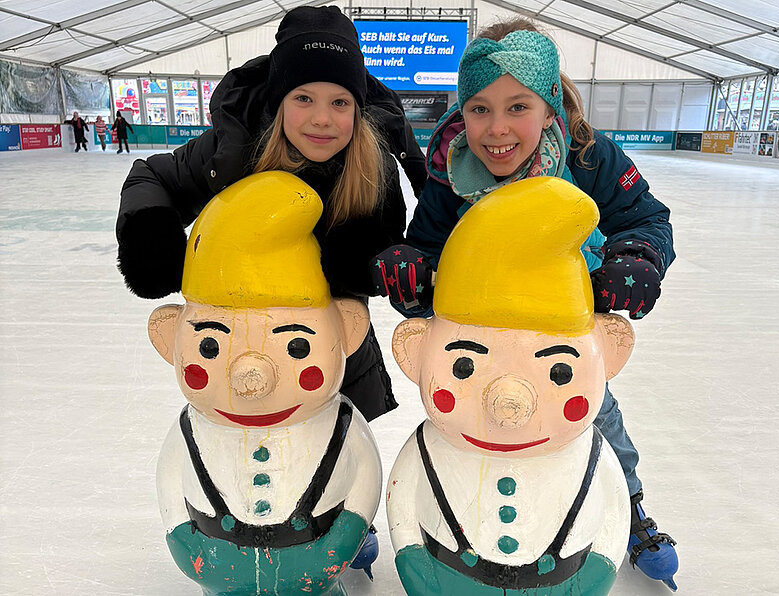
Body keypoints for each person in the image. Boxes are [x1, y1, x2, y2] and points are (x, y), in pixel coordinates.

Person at [372, 17, 678, 590]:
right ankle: (462, 515)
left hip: (559, 328)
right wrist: (411, 269)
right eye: (479, 108)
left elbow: (645, 216)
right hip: (478, 335)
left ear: (549, 106)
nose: (496, 129)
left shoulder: (588, 155)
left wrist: (636, 257)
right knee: (466, 420)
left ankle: (630, 508)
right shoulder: (450, 169)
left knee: (598, 416)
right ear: (460, 112)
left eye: (518, 106)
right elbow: (428, 241)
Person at [116, 5, 426, 424]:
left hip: (327, 355)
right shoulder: (235, 150)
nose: (322, 118)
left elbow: (387, 244)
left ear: (357, 109)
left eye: (340, 102)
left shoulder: (373, 167)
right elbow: (153, 177)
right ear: (279, 102)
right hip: (238, 352)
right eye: (303, 98)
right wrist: (151, 237)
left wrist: (389, 265)